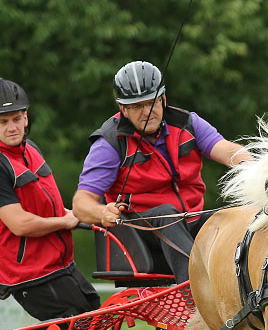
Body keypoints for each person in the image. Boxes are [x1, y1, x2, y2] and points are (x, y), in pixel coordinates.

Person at [72, 60, 251, 283]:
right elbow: (81, 203)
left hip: (190, 223)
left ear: (163, 99)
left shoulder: (187, 123)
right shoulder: (109, 143)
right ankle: (194, 294)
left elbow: (227, 150)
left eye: (151, 102)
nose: (147, 112)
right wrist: (102, 213)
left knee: (234, 217)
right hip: (139, 233)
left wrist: (256, 165)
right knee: (166, 213)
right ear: (123, 110)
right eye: (137, 106)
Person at [0, 78, 100, 320]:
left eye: (17, 119)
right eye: (3, 122)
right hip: (26, 274)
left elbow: (48, 206)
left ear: (26, 118)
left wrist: (90, 214)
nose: (12, 127)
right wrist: (65, 221)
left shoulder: (30, 150)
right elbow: (20, 224)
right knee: (79, 326)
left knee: (96, 313)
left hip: (57, 264)